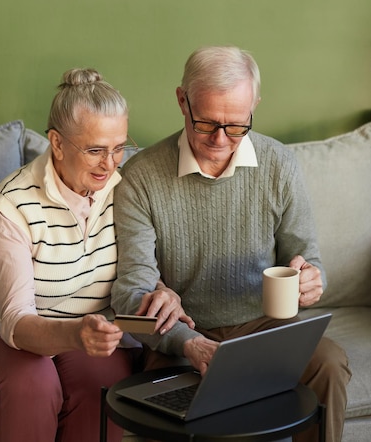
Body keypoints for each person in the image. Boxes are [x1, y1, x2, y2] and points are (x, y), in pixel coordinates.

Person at [111, 46, 351, 442]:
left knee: (329, 363)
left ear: (254, 105)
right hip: (183, 337)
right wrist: (190, 344)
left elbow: (309, 260)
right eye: (206, 123)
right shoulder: (141, 177)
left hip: (263, 332)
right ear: (181, 100)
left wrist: (312, 279)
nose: (221, 140)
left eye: (237, 125)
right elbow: (130, 296)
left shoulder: (279, 165)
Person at [0, 68, 191, 442]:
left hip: (87, 328)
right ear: (57, 144)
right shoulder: (9, 209)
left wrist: (163, 292)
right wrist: (76, 334)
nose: (110, 164)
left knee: (105, 385)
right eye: (95, 150)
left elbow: (135, 266)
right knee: (33, 382)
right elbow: (16, 323)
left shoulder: (122, 189)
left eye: (119, 148)